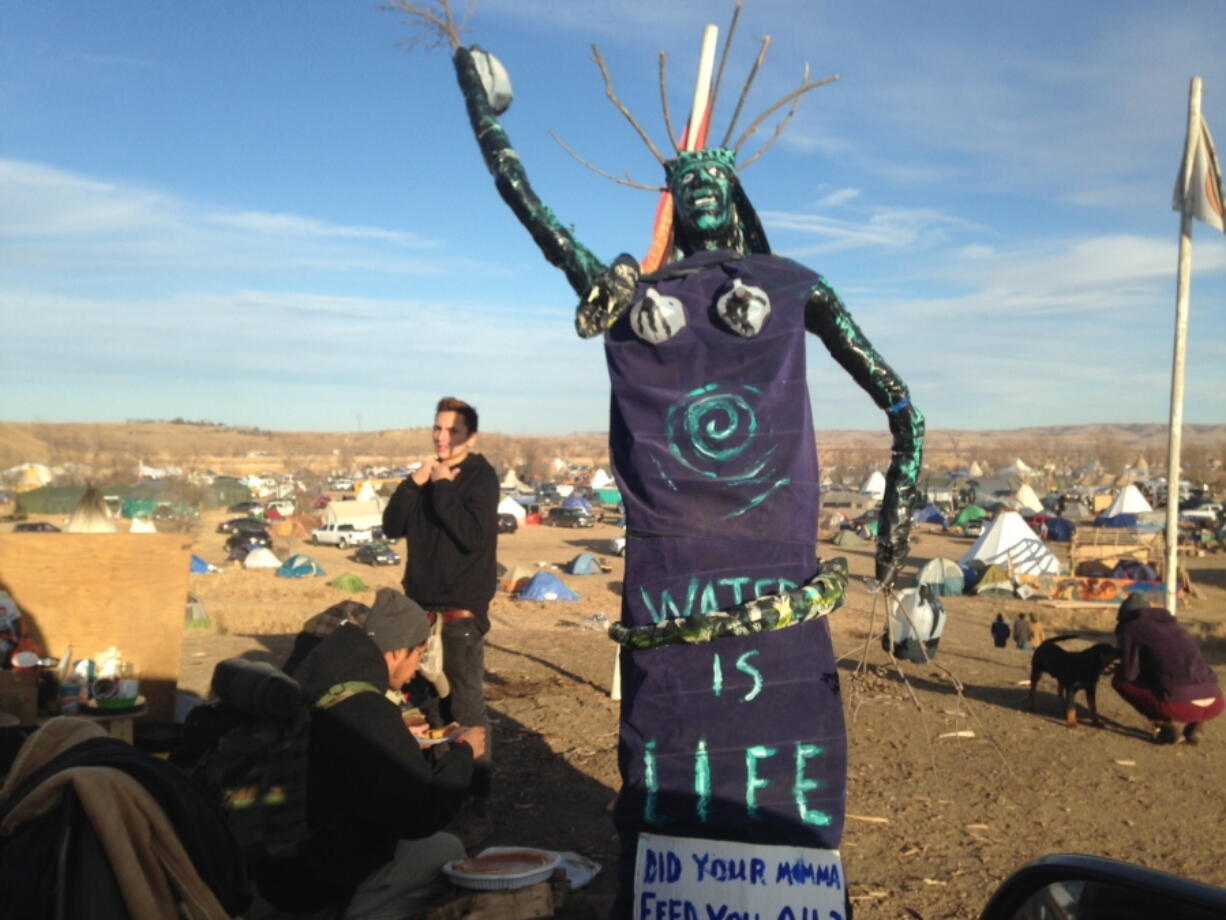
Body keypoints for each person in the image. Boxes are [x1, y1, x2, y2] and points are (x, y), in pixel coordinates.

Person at [258, 588, 486, 919]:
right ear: (397, 652)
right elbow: (420, 814)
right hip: (317, 875)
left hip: (279, 859)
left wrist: (400, 741)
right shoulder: (369, 710)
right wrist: (464, 753)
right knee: (445, 849)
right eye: (418, 656)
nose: (414, 672)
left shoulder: (323, 678)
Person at [382, 396, 499, 842]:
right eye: (437, 429)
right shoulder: (427, 478)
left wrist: (444, 486)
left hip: (460, 616)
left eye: (451, 431)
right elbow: (392, 526)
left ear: (471, 436)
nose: (441, 438)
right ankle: (437, 798)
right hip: (420, 612)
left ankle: (479, 805)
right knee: (428, 710)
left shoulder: (480, 479)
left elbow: (471, 538)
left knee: (467, 712)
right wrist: (413, 484)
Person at [1112, 593, 1224, 745]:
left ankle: (1167, 728)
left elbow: (1129, 674)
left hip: (1181, 706)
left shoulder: (1131, 627)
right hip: (1216, 701)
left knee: (1120, 681)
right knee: (1179, 679)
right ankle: (1196, 727)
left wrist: (1118, 666)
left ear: (1124, 616)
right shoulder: (1174, 626)